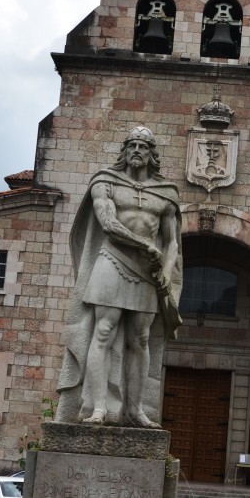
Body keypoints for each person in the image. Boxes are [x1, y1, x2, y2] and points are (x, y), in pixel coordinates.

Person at [56, 127, 182, 428]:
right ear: (124, 151)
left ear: (152, 154)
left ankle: (135, 410)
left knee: (140, 339)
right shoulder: (106, 181)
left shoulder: (165, 193)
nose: (137, 150)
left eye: (143, 146)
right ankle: (97, 408)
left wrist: (166, 273)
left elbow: (173, 242)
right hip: (112, 261)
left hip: (148, 274)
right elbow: (109, 224)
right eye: (132, 145)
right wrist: (145, 246)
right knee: (103, 331)